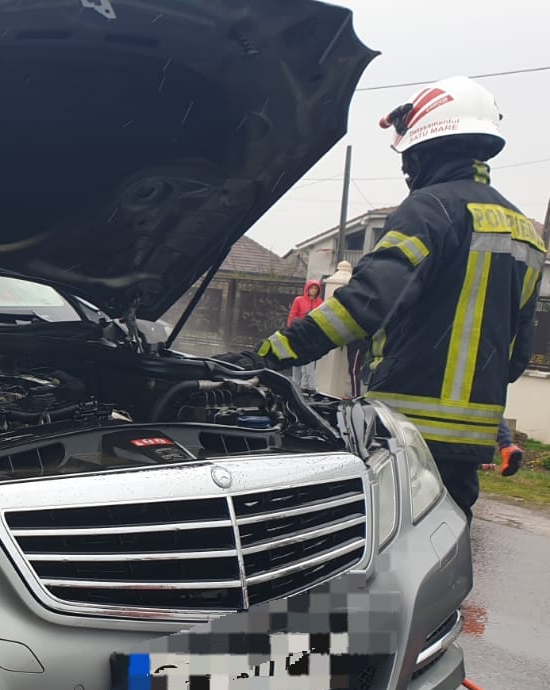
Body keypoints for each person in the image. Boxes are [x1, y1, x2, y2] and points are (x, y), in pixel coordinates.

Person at [218, 75, 543, 524]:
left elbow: (364, 304)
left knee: (374, 561)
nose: (406, 169)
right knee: (439, 548)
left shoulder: (431, 210)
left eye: (408, 156)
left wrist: (273, 352)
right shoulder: (526, 233)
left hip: (405, 430)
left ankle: (333, 603)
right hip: (470, 442)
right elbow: (517, 357)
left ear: (427, 150)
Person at [286, 280, 326, 391]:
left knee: (309, 363)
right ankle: (295, 385)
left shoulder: (320, 302)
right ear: (307, 289)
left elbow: (322, 318)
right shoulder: (299, 300)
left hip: (312, 335)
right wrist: (291, 331)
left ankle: (309, 387)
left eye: (315, 289)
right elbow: (292, 315)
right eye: (311, 288)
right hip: (298, 333)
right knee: (297, 361)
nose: (313, 291)